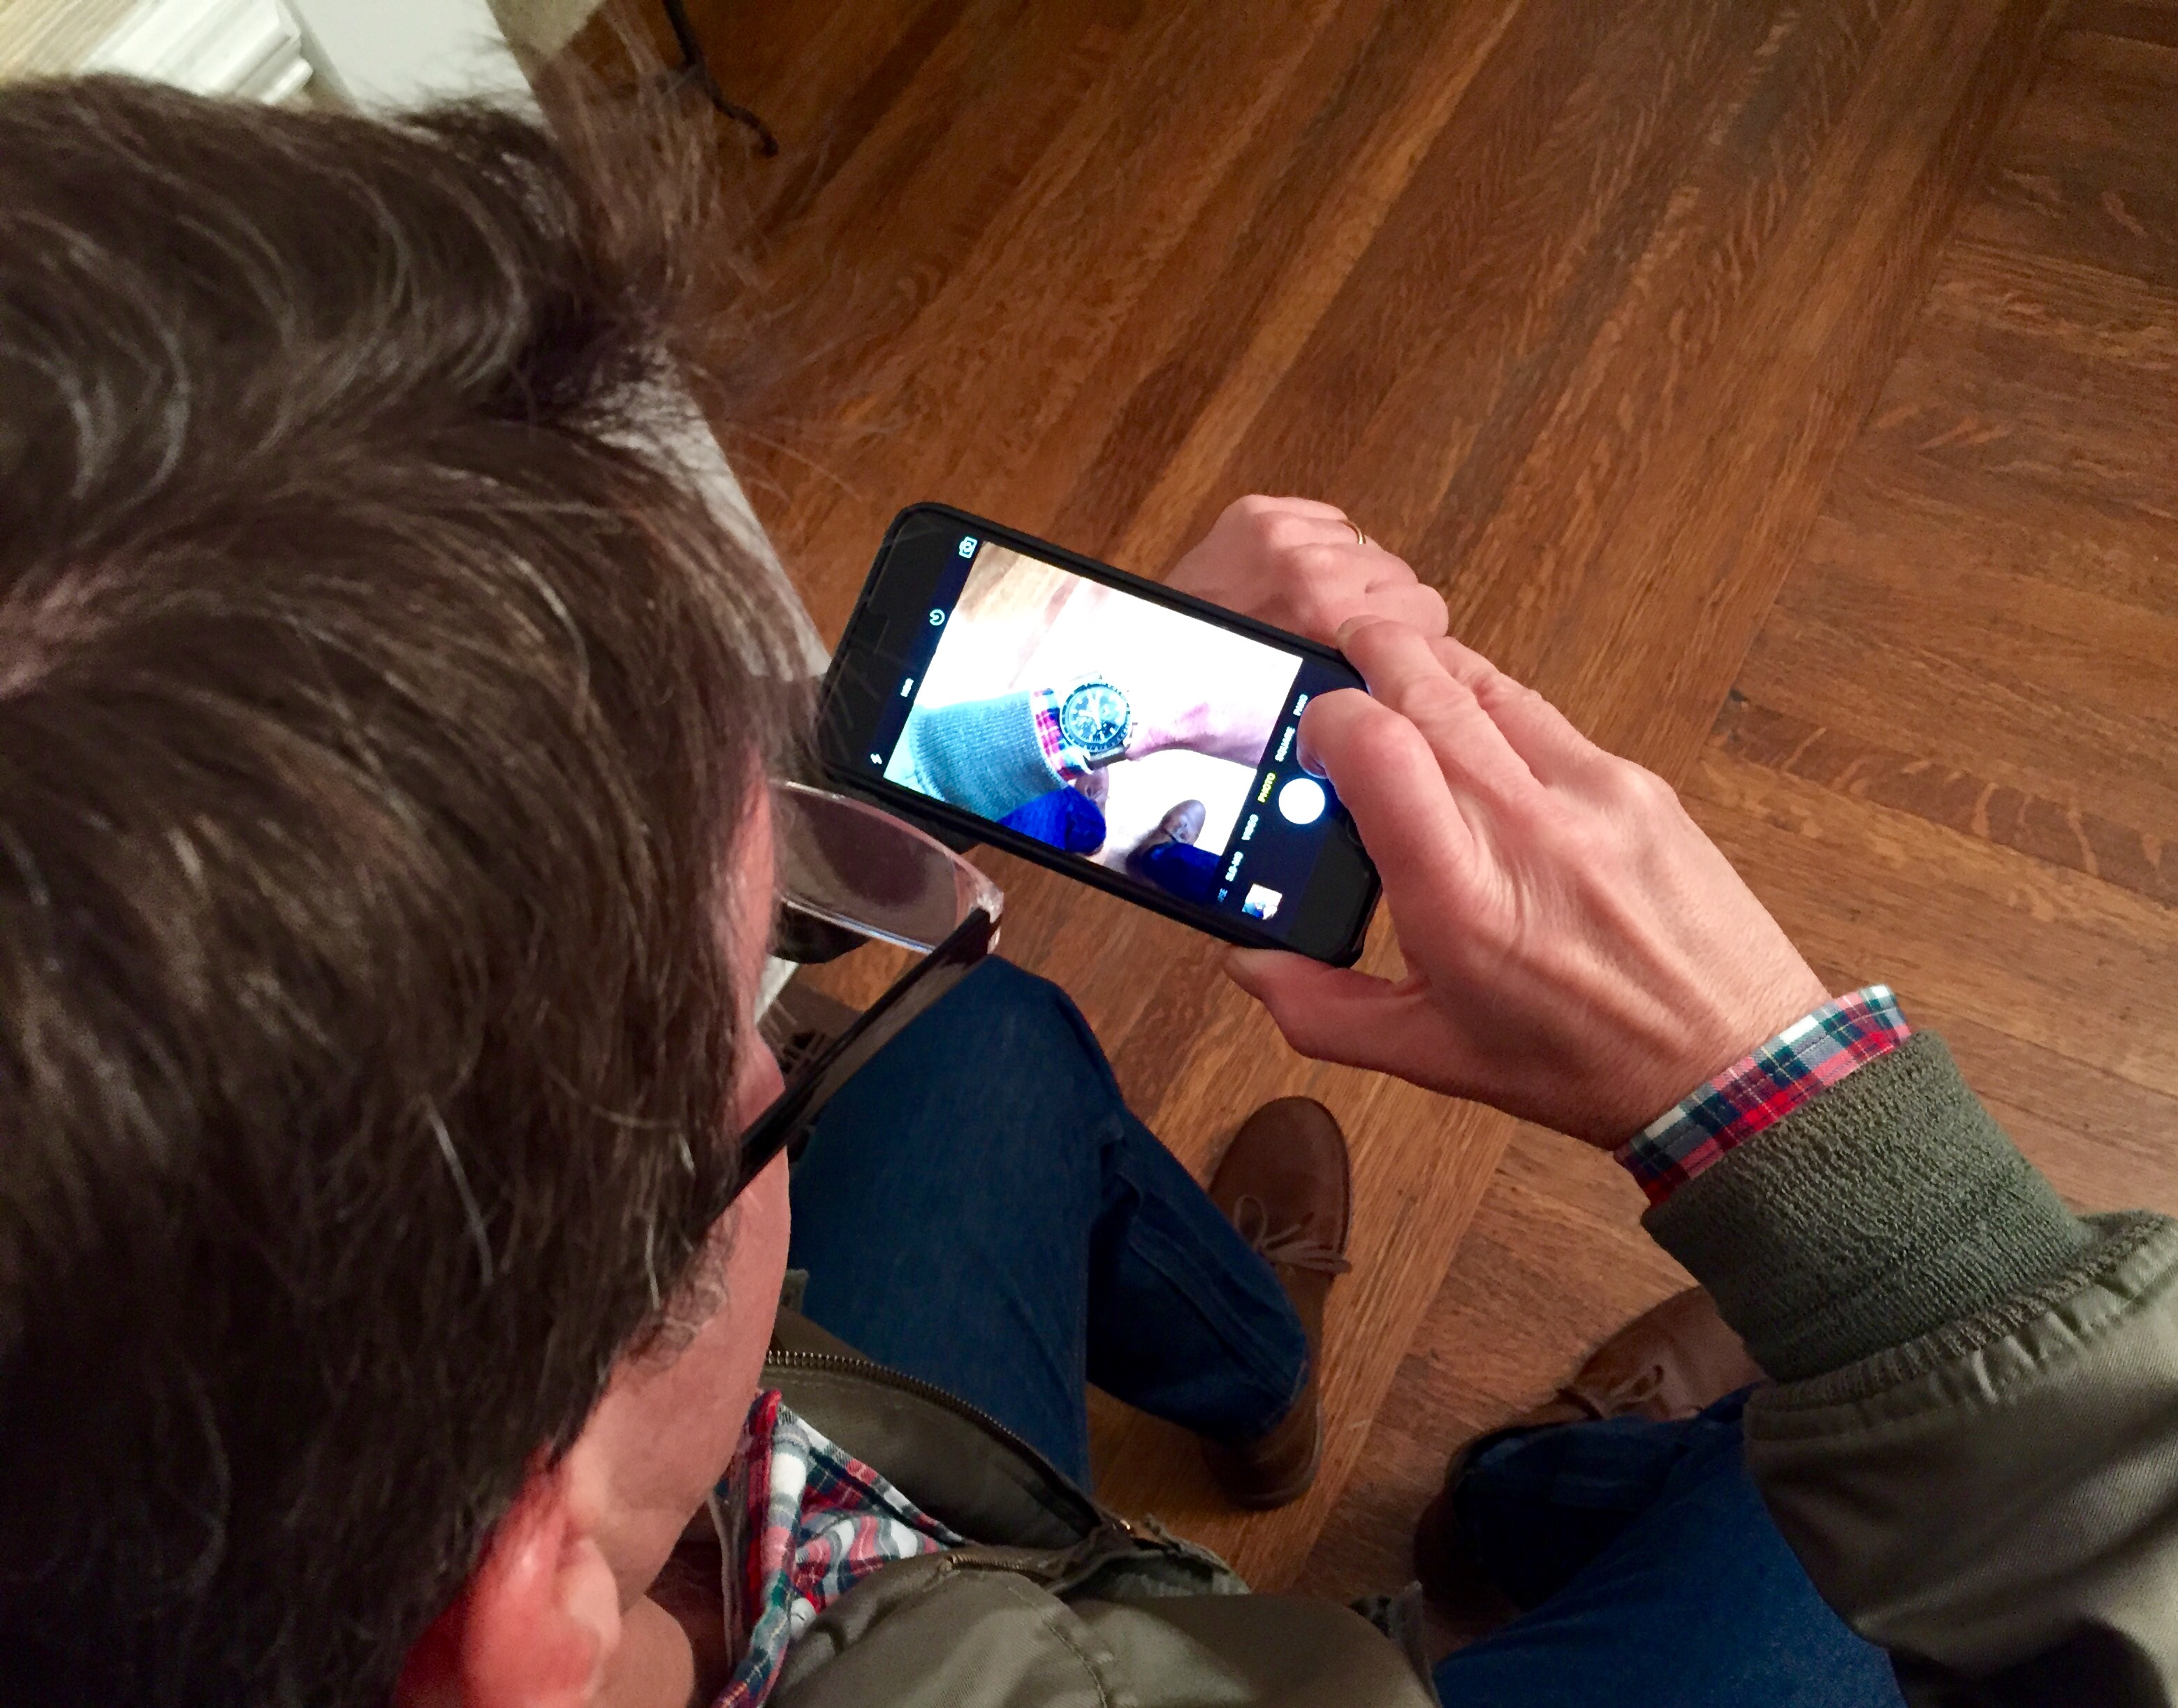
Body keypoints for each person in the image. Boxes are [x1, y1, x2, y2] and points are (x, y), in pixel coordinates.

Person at [4, 75, 2175, 1708]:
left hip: (858, 1512)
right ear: (527, 1594)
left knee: (997, 1047)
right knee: (1805, 1526)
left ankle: (1285, 1392)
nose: (793, 1024)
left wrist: (973, 730)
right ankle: (1515, 1521)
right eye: (749, 1046)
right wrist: (1809, 1144)